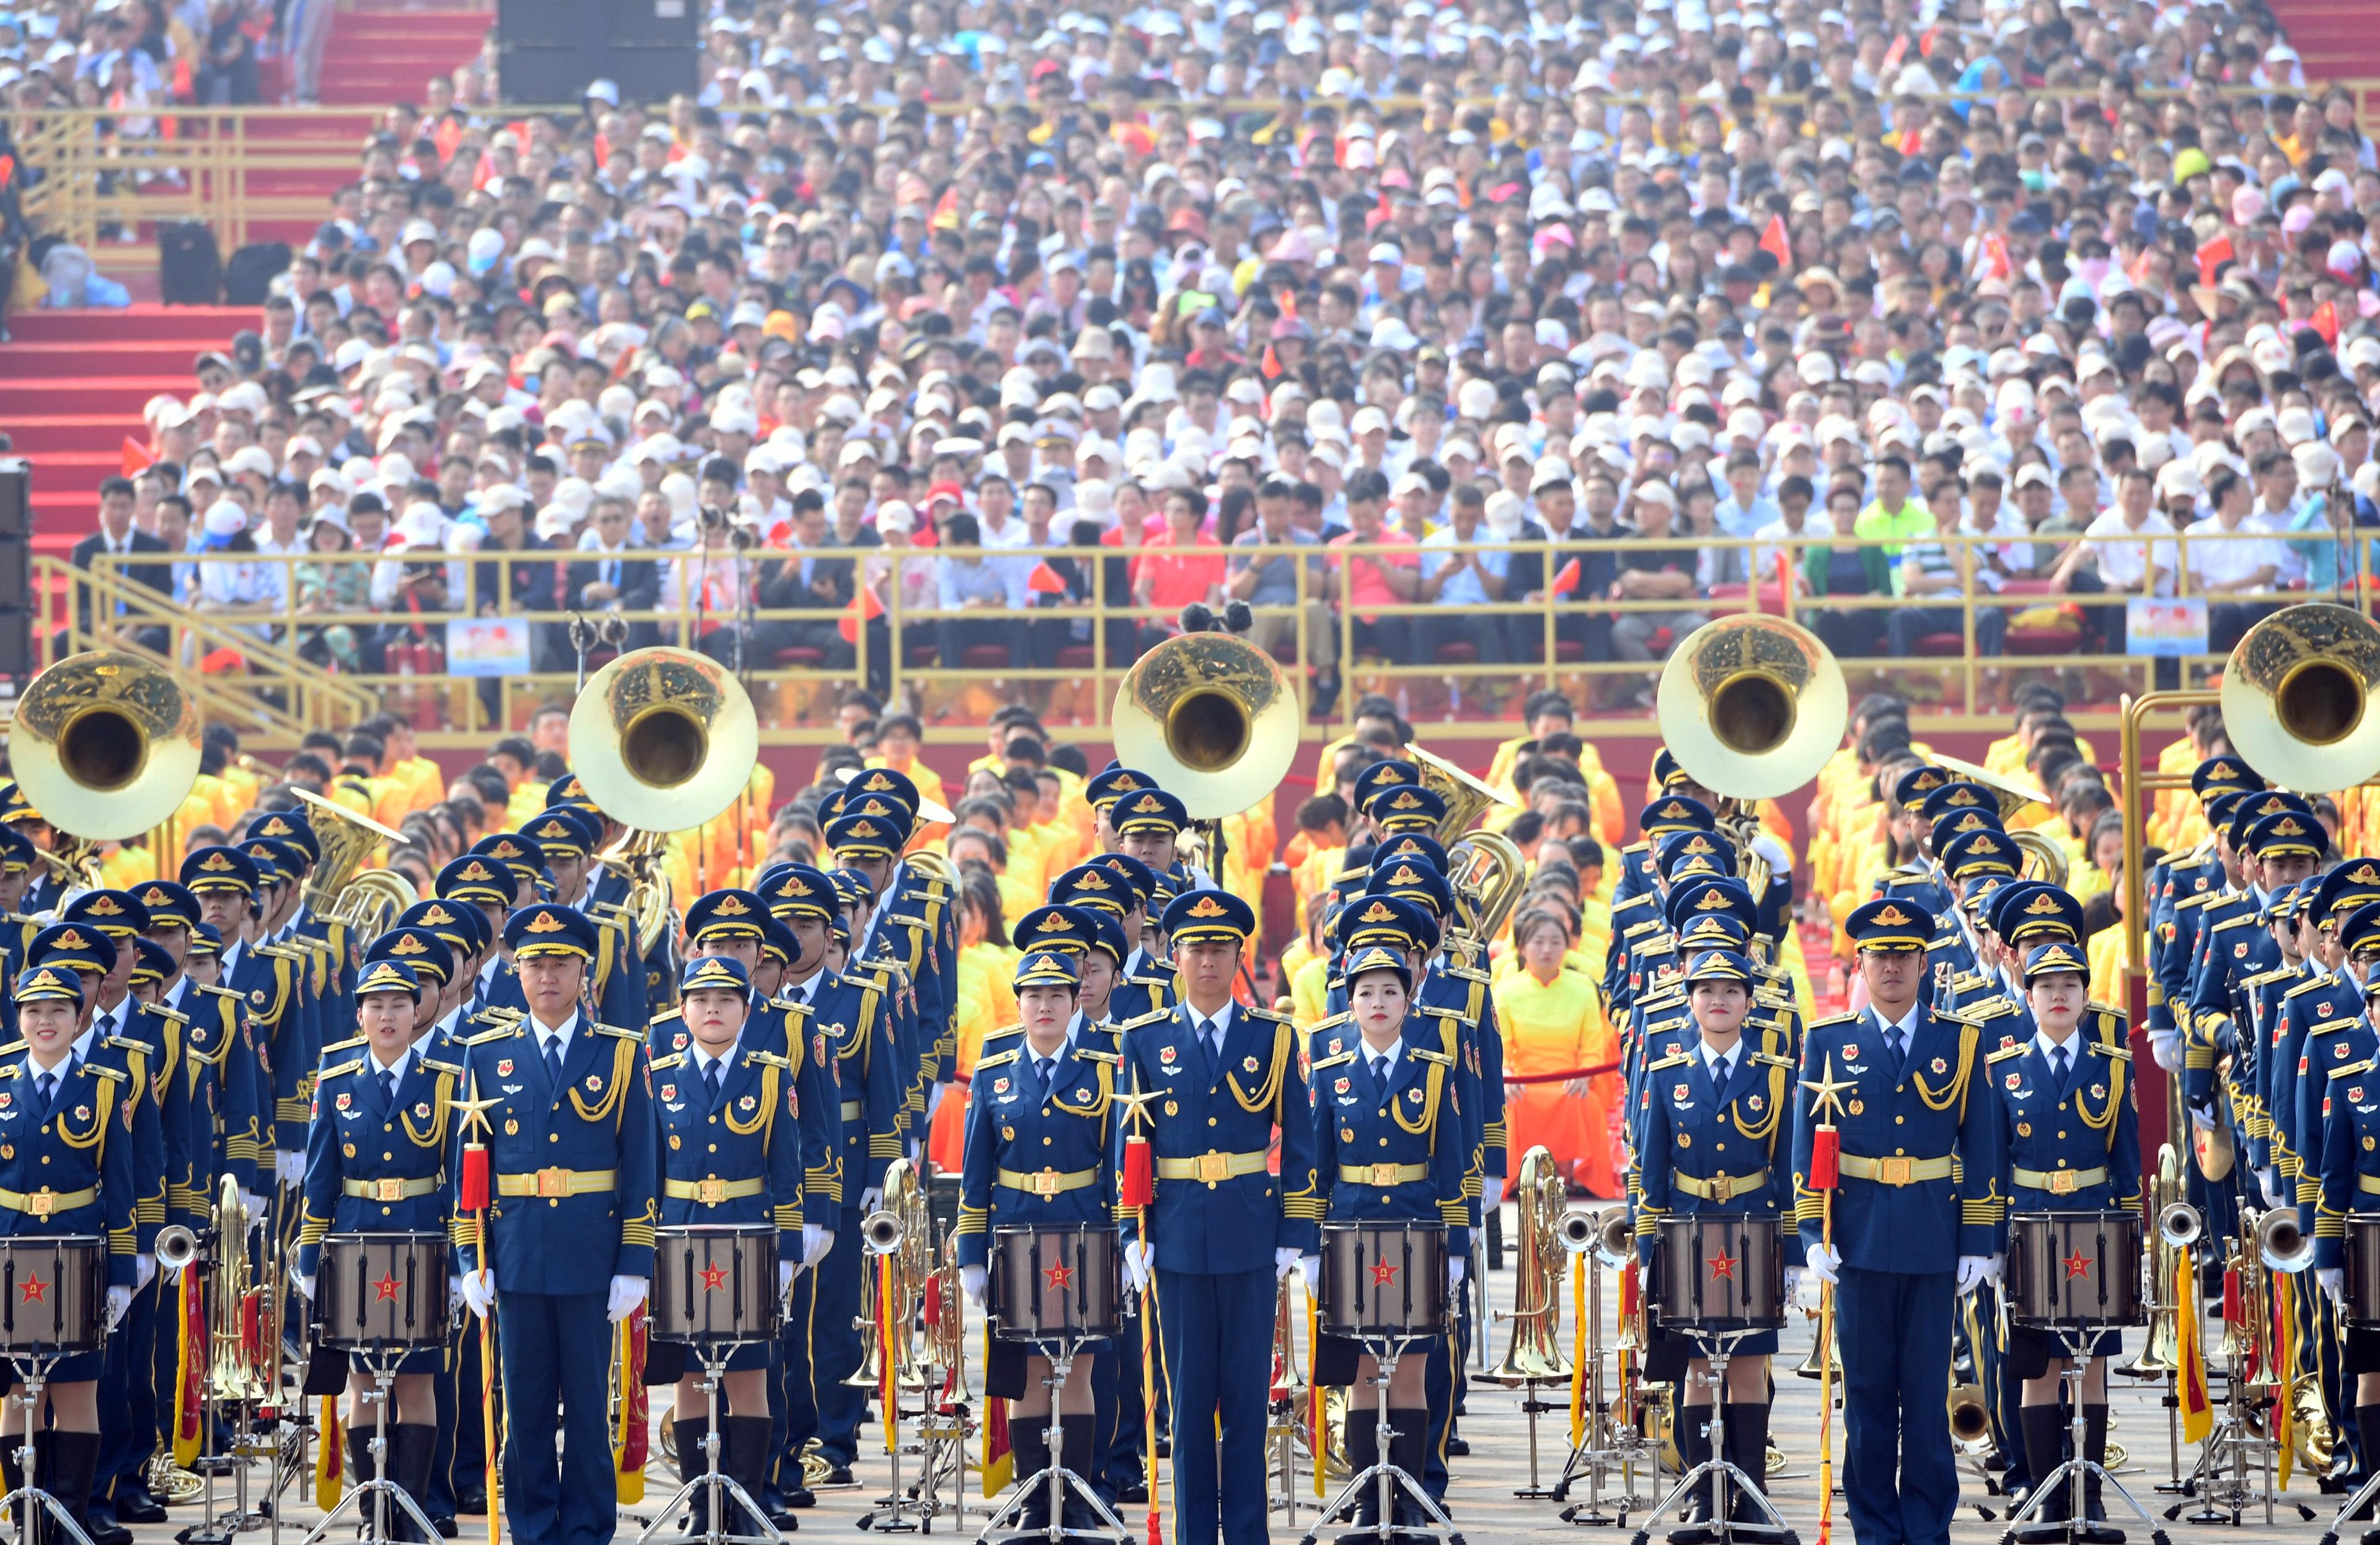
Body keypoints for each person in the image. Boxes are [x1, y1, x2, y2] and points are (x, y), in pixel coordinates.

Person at [449, 902, 657, 1545]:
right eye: (535, 963)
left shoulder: (620, 1054)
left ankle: (589, 1526)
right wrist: (467, 1261)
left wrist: (635, 1263)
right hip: (514, 1255)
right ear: (515, 972)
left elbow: (642, 1164)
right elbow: (469, 1172)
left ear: (583, 972)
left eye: (560, 963)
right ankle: (535, 1526)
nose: (547, 976)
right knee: (527, 1407)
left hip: (592, 1256)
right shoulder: (487, 1055)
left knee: (591, 1410)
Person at [1795, 897, 2001, 1545]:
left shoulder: (1960, 1041)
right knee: (1868, 1400)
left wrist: (1979, 1239)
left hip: (1934, 1240)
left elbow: (1982, 1143)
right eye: (1879, 956)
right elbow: (1809, 1147)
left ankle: (1927, 1524)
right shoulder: (1827, 1043)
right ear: (1860, 962)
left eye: (1903, 956)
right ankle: (1876, 1527)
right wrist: (1810, 1236)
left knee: (1926, 1396)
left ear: (1924, 963)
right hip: (1857, 1241)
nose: (1890, 968)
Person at [1115, 887, 1317, 1545]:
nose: (1208, 960)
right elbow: (1129, 1146)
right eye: (1196, 948)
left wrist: (1295, 1232)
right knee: (1190, 1403)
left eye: (1220, 948)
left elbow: (1302, 1142)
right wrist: (1128, 1231)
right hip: (1172, 1236)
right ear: (1174, 956)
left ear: (1240, 956)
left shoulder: (1274, 1037)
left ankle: (1249, 1533)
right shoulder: (1144, 1039)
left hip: (1250, 1235)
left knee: (1247, 1403)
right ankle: (1196, 1534)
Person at [1302, 943, 1469, 1538]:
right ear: (1350, 1003)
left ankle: (1408, 1493)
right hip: (1351, 1230)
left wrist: (1457, 1246)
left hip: (1416, 1229)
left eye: (1390, 992)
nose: (1378, 1003)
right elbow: (1315, 1164)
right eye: (1366, 992)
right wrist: (1308, 1246)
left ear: (1408, 1000)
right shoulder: (1328, 1072)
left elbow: (1450, 1163)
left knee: (1411, 1370)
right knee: (1364, 1370)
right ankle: (1368, 1495)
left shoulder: (1433, 1068)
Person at [1635, 943, 1801, 1541]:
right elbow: (1651, 1173)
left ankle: (1748, 1493)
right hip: (1688, 1234)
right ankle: (1703, 1491)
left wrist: (1793, 1252)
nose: (1719, 1001)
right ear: (1691, 1003)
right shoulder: (1667, 1074)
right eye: (1707, 991)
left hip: (1754, 1232)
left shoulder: (1776, 1075)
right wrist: (1650, 1253)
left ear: (1750, 1003)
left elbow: (1789, 1167)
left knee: (1749, 1368)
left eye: (1731, 991)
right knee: (1699, 1371)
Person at [955, 948, 1122, 1531]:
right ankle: (1033, 1496)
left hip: (1083, 1235)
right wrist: (971, 1254)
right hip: (1016, 1239)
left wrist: (1123, 1245)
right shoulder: (993, 1071)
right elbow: (975, 1172)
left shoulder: (1104, 1069)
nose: (1045, 1006)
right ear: (1020, 1004)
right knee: (1028, 1370)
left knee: (1076, 1369)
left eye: (1057, 996)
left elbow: (1118, 1167)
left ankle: (1073, 1496)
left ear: (1077, 1003)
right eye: (1035, 996)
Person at [293, 958, 457, 1538]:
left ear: (419, 1012)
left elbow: (459, 1178)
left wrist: (460, 1263)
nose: (387, 1016)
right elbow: (320, 1177)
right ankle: (373, 1512)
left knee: (416, 1380)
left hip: (422, 1240)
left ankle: (410, 1510)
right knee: (363, 1379)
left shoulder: (445, 1078)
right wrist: (310, 1257)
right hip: (356, 1241)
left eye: (399, 1005)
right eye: (376, 1006)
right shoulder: (336, 1081)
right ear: (359, 1014)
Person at [1983, 936, 2141, 1538]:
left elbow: (2126, 1164)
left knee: (2093, 1367)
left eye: (2069, 987)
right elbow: (1994, 1166)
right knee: (2040, 1370)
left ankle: (2090, 1495)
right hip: (2030, 1230)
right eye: (2046, 987)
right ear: (2028, 997)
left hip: (2095, 1232)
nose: (2058, 997)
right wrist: (1995, 1244)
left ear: (2084, 997)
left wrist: (2134, 1244)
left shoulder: (2111, 1066)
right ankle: (2051, 1499)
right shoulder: (2005, 1070)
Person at [644, 954, 803, 1539]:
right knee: (689, 1377)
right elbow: (648, 1172)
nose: (713, 1009)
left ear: (746, 1009)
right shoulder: (659, 1076)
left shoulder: (769, 1075)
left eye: (726, 1000)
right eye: (701, 1000)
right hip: (681, 1241)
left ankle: (746, 1502)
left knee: (747, 1379)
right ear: (683, 1010)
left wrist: (787, 1253)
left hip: (748, 1239)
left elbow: (787, 1169)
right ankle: (699, 1504)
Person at [0, 957, 137, 1541]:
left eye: (59, 1009)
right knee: (15, 1395)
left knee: (76, 1391)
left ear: (80, 1017)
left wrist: (121, 1277)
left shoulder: (104, 1086)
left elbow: (122, 1185)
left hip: (78, 1255)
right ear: (20, 1018)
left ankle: (69, 1518)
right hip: (10, 1256)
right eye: (34, 1011)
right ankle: (27, 1517)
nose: (46, 1021)